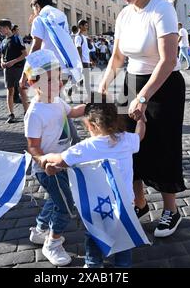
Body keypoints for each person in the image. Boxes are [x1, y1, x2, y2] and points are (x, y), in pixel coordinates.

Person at [98, 0, 186, 237]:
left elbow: (168, 59)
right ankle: (139, 202)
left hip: (164, 85)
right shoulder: (123, 15)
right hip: (131, 82)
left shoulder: (162, 10)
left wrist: (144, 96)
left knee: (163, 146)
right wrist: (102, 87)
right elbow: (117, 58)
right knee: (128, 147)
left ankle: (171, 211)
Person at [40, 94, 146, 268]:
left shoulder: (85, 147)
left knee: (93, 234)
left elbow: (59, 160)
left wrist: (46, 158)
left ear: (91, 125)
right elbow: (140, 136)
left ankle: (93, 264)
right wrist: (142, 120)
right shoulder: (127, 140)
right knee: (123, 237)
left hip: (98, 206)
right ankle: (123, 266)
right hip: (125, 204)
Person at [24, 49, 85, 266]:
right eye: (50, 80)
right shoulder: (34, 113)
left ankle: (40, 229)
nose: (58, 83)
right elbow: (32, 146)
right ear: (33, 83)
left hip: (62, 164)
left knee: (53, 199)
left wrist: (91, 106)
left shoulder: (57, 101)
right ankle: (53, 243)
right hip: (48, 169)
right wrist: (43, 161)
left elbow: (72, 113)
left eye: (59, 78)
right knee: (66, 207)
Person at [0, 19, 28, 123]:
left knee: (22, 91)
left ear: (7, 28)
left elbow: (25, 54)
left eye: (1, 28)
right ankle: (11, 114)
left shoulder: (17, 39)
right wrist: (2, 62)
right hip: (7, 69)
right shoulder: (3, 41)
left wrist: (13, 62)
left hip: (18, 68)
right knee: (10, 91)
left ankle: (27, 113)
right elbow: (2, 55)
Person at [75, 19, 91, 99]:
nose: (87, 27)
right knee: (86, 80)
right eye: (85, 25)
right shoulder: (78, 37)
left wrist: (90, 60)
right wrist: (80, 62)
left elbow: (86, 50)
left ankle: (70, 89)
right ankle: (89, 96)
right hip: (83, 61)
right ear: (80, 26)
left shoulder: (84, 37)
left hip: (86, 60)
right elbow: (78, 49)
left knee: (81, 79)